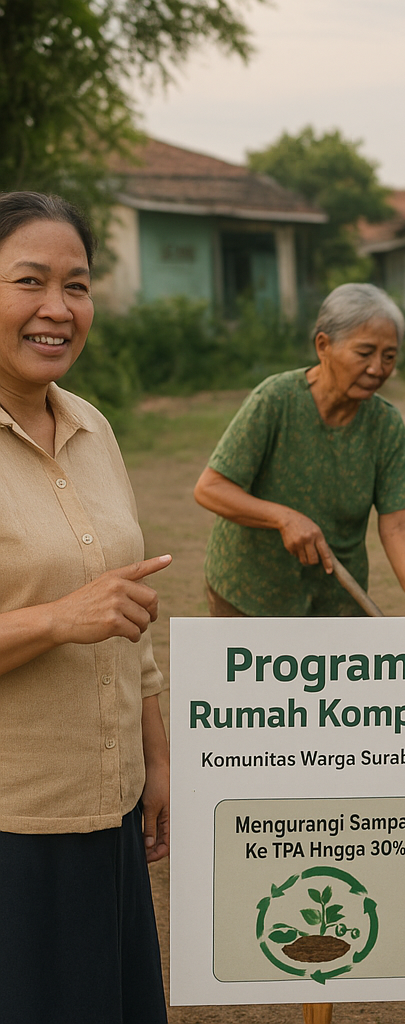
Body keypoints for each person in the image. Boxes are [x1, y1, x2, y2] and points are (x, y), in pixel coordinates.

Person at [0, 191, 170, 1022]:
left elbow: (128, 614)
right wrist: (57, 619)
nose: (58, 309)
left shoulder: (93, 428)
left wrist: (156, 761)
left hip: (108, 810)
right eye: (29, 281)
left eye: (77, 285)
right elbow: (85, 612)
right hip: (15, 827)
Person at [194, 283, 405, 618]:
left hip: (335, 603)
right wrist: (283, 518)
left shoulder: (385, 424)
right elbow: (210, 488)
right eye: (364, 353)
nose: (377, 369)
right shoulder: (275, 399)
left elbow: (399, 522)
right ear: (323, 346)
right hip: (251, 595)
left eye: (389, 357)